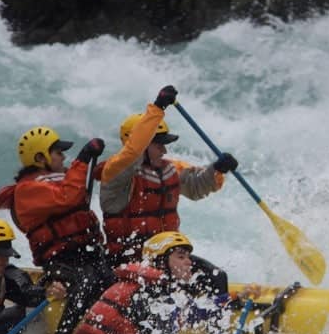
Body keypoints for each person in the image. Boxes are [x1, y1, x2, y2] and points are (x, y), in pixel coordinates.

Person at [74, 230, 258, 334]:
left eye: (188, 257)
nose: (189, 263)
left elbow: (188, 314)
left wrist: (234, 299)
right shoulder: (147, 292)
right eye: (181, 256)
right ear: (160, 262)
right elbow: (185, 318)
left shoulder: (149, 285)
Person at [0, 126, 109, 334]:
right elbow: (69, 197)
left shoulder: (64, 178)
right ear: (40, 157)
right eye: (58, 152)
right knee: (84, 286)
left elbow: (76, 186)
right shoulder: (28, 191)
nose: (63, 156)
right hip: (63, 263)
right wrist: (83, 158)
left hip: (88, 257)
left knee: (110, 280)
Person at [98, 85, 239, 263]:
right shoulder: (115, 172)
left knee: (216, 276)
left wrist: (218, 169)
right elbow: (132, 152)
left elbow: (197, 188)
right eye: (158, 145)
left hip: (166, 258)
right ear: (143, 145)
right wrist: (158, 108)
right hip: (127, 261)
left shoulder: (169, 169)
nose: (164, 150)